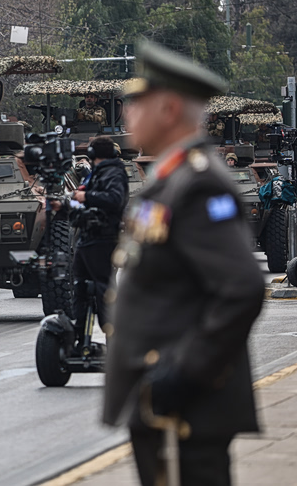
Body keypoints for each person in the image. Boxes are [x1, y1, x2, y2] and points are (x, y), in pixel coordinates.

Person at [104, 41, 264, 486]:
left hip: (186, 406)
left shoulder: (198, 185)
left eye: (137, 102)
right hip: (164, 401)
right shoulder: (171, 179)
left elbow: (242, 288)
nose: (127, 113)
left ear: (169, 108)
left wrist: (185, 371)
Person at [58, 136, 128, 346]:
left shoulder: (114, 173)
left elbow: (115, 199)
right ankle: (80, 337)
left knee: (103, 290)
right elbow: (82, 199)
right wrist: (70, 203)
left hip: (103, 238)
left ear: (92, 154)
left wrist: (87, 197)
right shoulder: (95, 173)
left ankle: (114, 341)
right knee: (79, 287)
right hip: (87, 236)